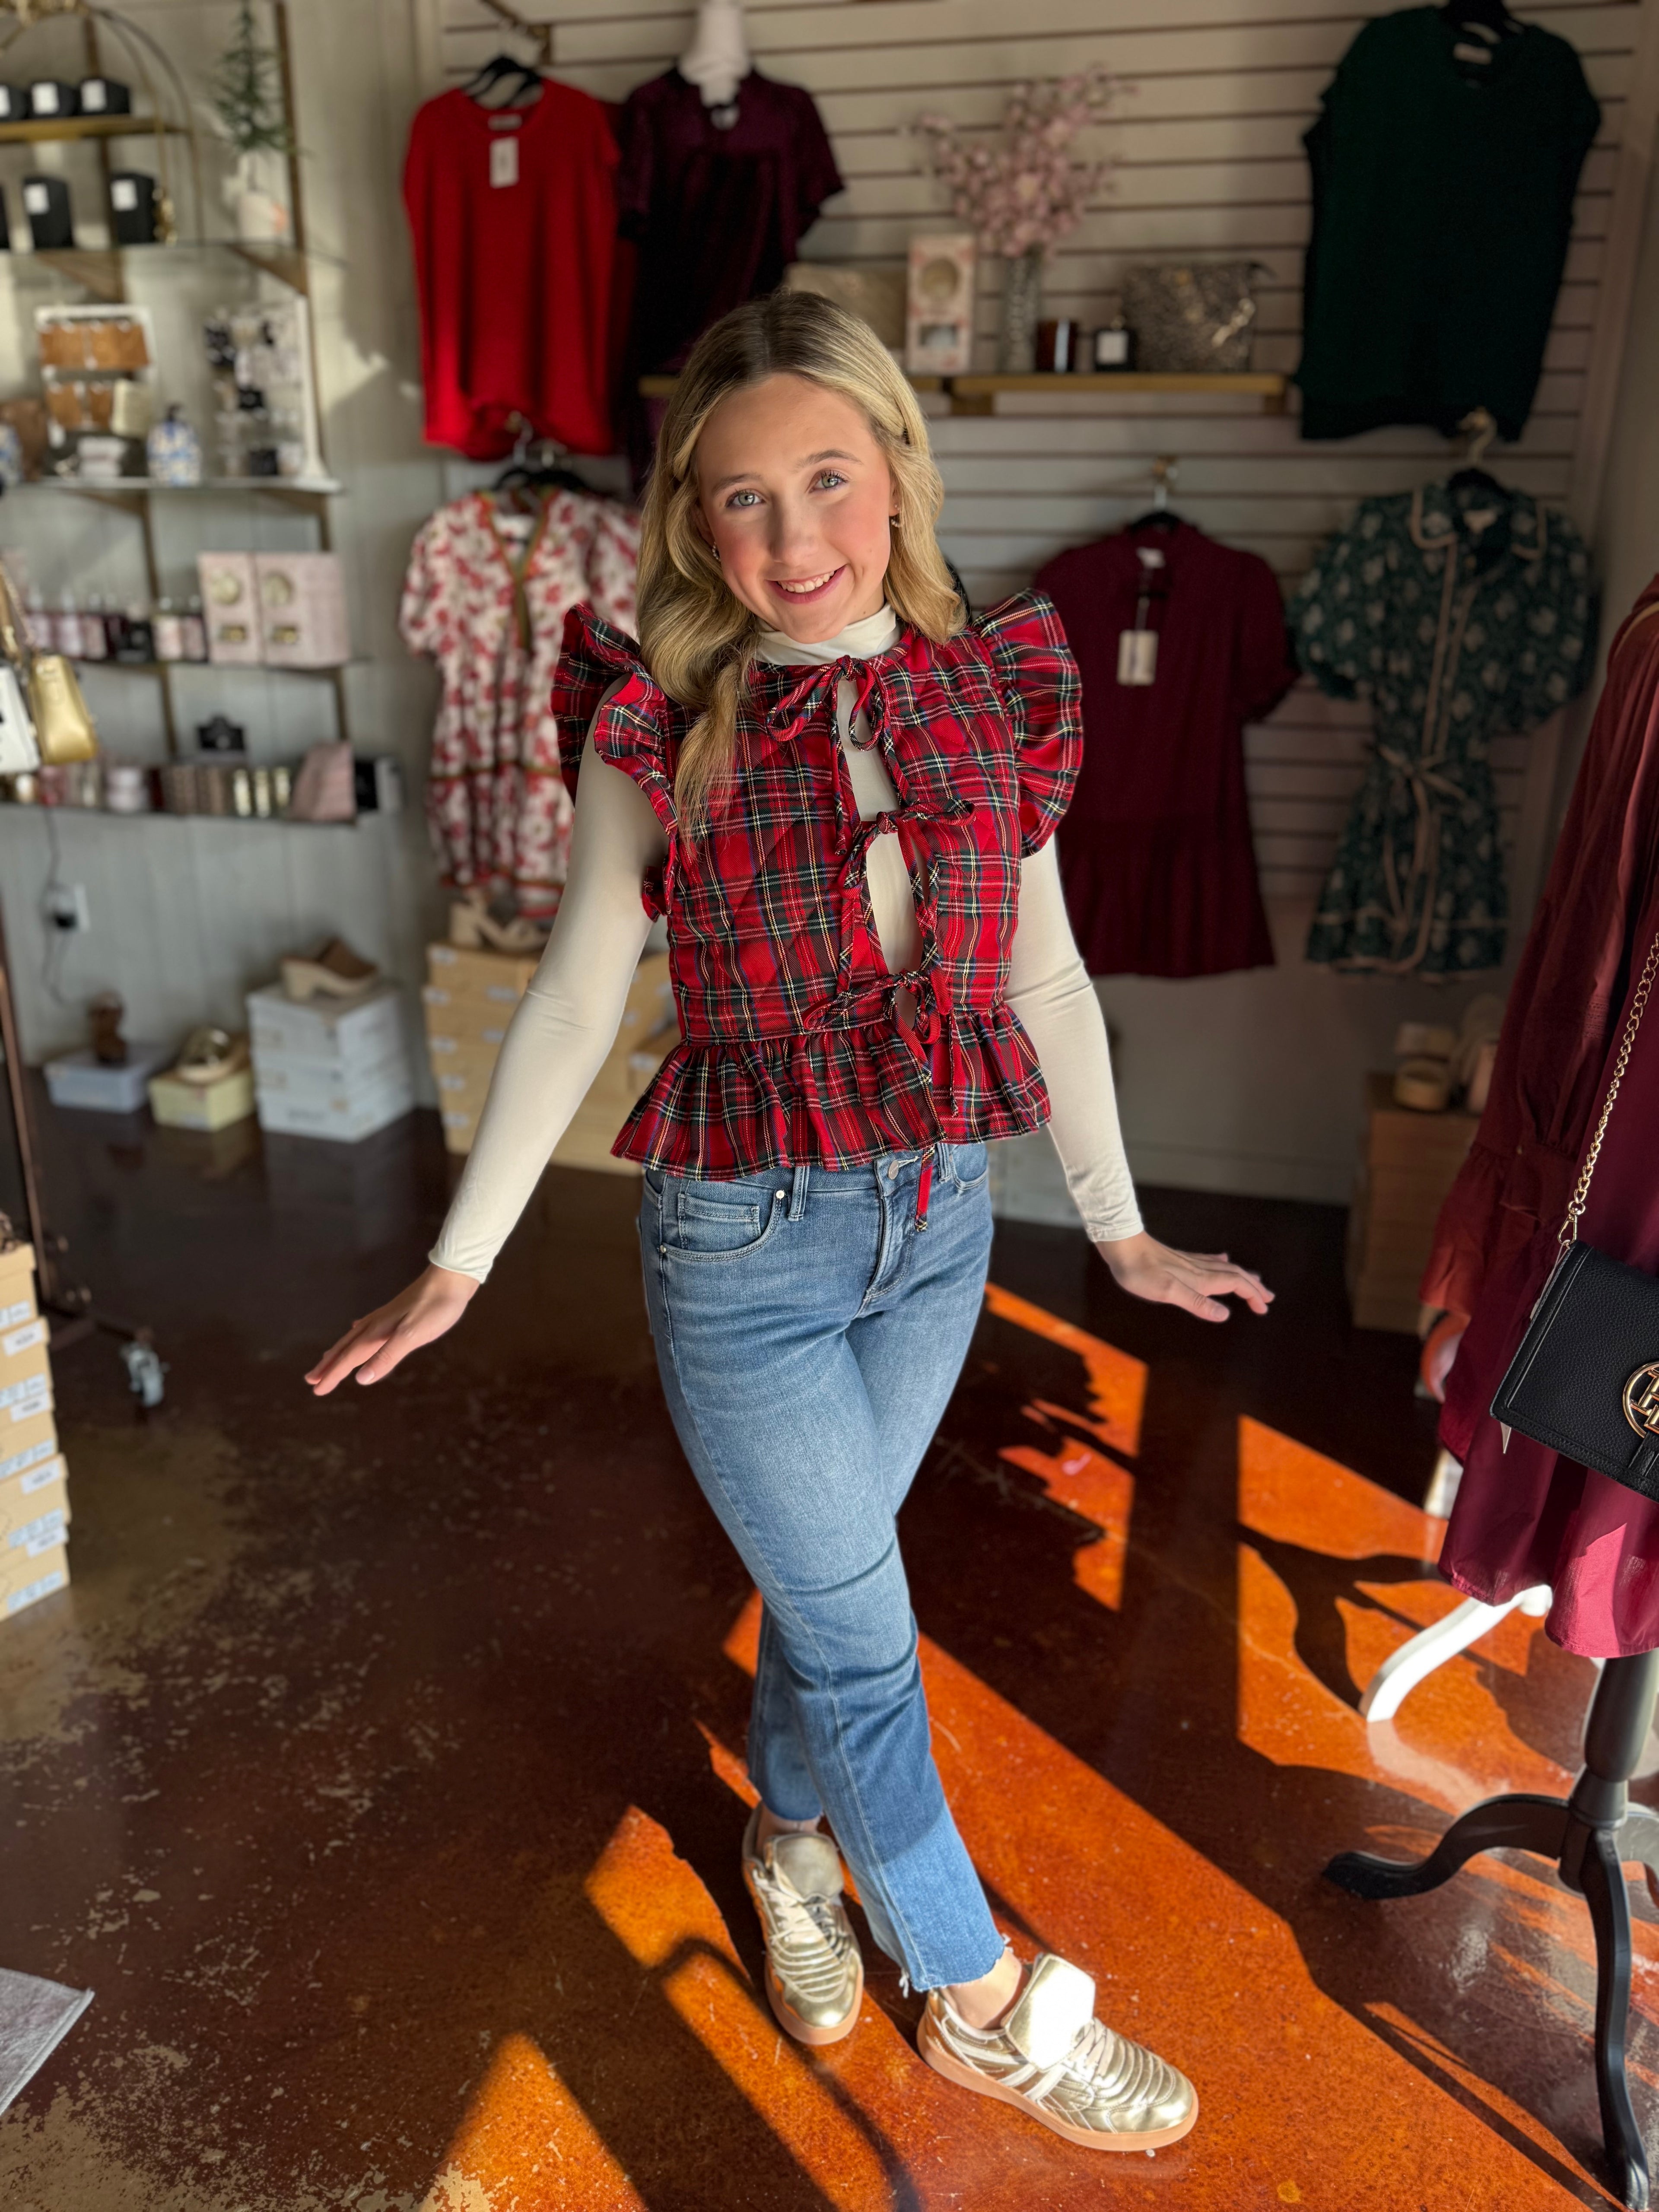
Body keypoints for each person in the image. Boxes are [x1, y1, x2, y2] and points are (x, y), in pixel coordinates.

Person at [307, 292, 1271, 2154]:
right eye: (739, 501)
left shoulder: (1000, 683)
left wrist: (1123, 1228)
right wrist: (462, 1257)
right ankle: (985, 1999)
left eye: (828, 478)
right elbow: (582, 997)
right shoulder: (658, 706)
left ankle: (792, 1849)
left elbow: (1048, 981)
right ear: (691, 519)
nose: (792, 539)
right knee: (860, 1629)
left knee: (840, 1603)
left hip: (939, 1215)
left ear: (897, 473)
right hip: (741, 1243)